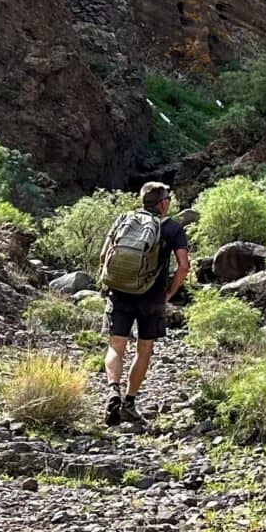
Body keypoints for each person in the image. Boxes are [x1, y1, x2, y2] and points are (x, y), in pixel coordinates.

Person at [98, 181, 191, 427]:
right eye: (168, 199)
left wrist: (109, 282)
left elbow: (103, 255)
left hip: (119, 292)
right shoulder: (172, 228)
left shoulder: (123, 219)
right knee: (144, 350)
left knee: (116, 346)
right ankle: (129, 402)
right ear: (162, 203)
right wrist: (170, 291)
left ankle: (112, 391)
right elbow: (183, 266)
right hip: (151, 298)